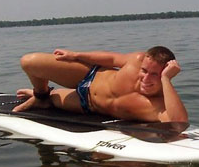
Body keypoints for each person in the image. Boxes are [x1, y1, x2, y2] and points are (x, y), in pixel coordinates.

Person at [13, 46, 188, 123]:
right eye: (144, 71)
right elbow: (111, 58)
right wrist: (76, 55)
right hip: (89, 75)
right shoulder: (137, 59)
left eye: (155, 75)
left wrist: (166, 80)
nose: (146, 78)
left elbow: (179, 122)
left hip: (86, 104)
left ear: (166, 74)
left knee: (53, 101)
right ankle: (40, 94)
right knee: (29, 62)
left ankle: (45, 98)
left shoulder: (159, 105)